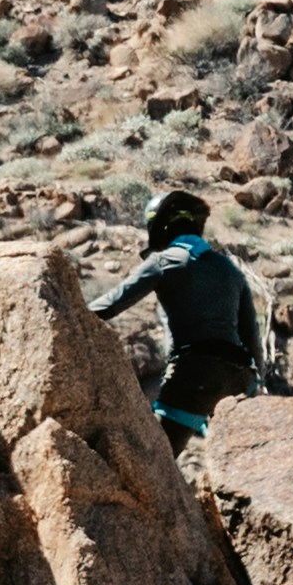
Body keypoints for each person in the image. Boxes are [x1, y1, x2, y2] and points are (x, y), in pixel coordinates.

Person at [89, 187, 265, 445]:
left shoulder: (165, 260)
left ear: (160, 227)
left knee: (155, 457)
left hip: (195, 375)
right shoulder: (230, 269)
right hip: (239, 377)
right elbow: (252, 335)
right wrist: (254, 386)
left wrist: (67, 314)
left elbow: (111, 304)